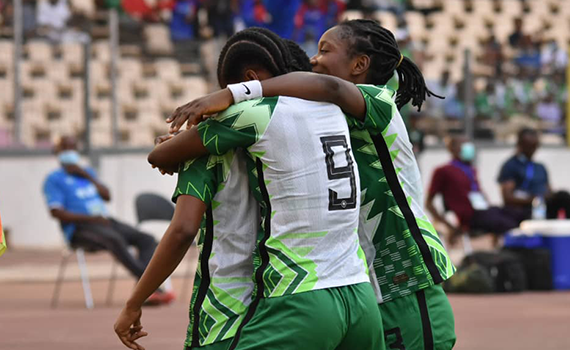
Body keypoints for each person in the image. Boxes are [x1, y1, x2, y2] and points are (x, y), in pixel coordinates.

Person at [166, 19, 457, 350]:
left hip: (406, 281)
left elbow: (326, 89)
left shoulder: (378, 101)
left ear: (360, 64)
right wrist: (192, 141)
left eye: (325, 50)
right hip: (362, 287)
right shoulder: (321, 113)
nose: (314, 59)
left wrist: (236, 92)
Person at [115, 28, 384, 350]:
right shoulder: (334, 114)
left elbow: (182, 226)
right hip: (356, 289)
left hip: (242, 308)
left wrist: (134, 302)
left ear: (249, 79)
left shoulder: (222, 135)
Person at [43, 136, 174, 304]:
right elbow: (56, 212)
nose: (70, 152)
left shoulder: (86, 173)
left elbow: (107, 196)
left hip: (105, 221)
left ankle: (144, 290)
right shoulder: (54, 179)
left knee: (146, 239)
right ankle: (151, 288)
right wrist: (91, 219)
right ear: (59, 152)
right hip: (79, 228)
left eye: (73, 148)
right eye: (66, 149)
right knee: (115, 239)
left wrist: (85, 175)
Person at [426, 136, 519, 245]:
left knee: (515, 213)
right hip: (469, 216)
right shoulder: (443, 171)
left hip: (483, 210)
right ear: (453, 148)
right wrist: (449, 226)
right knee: (506, 223)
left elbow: (478, 193)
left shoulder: (470, 169)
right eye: (464, 146)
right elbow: (429, 203)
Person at [498, 128, 570, 222]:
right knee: (562, 196)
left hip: (544, 205)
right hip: (526, 208)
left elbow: (549, 191)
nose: (532, 150)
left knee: (565, 198)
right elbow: (508, 198)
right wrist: (534, 199)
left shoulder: (540, 167)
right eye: (529, 146)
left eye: (535, 146)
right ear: (520, 145)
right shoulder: (511, 166)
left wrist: (546, 198)